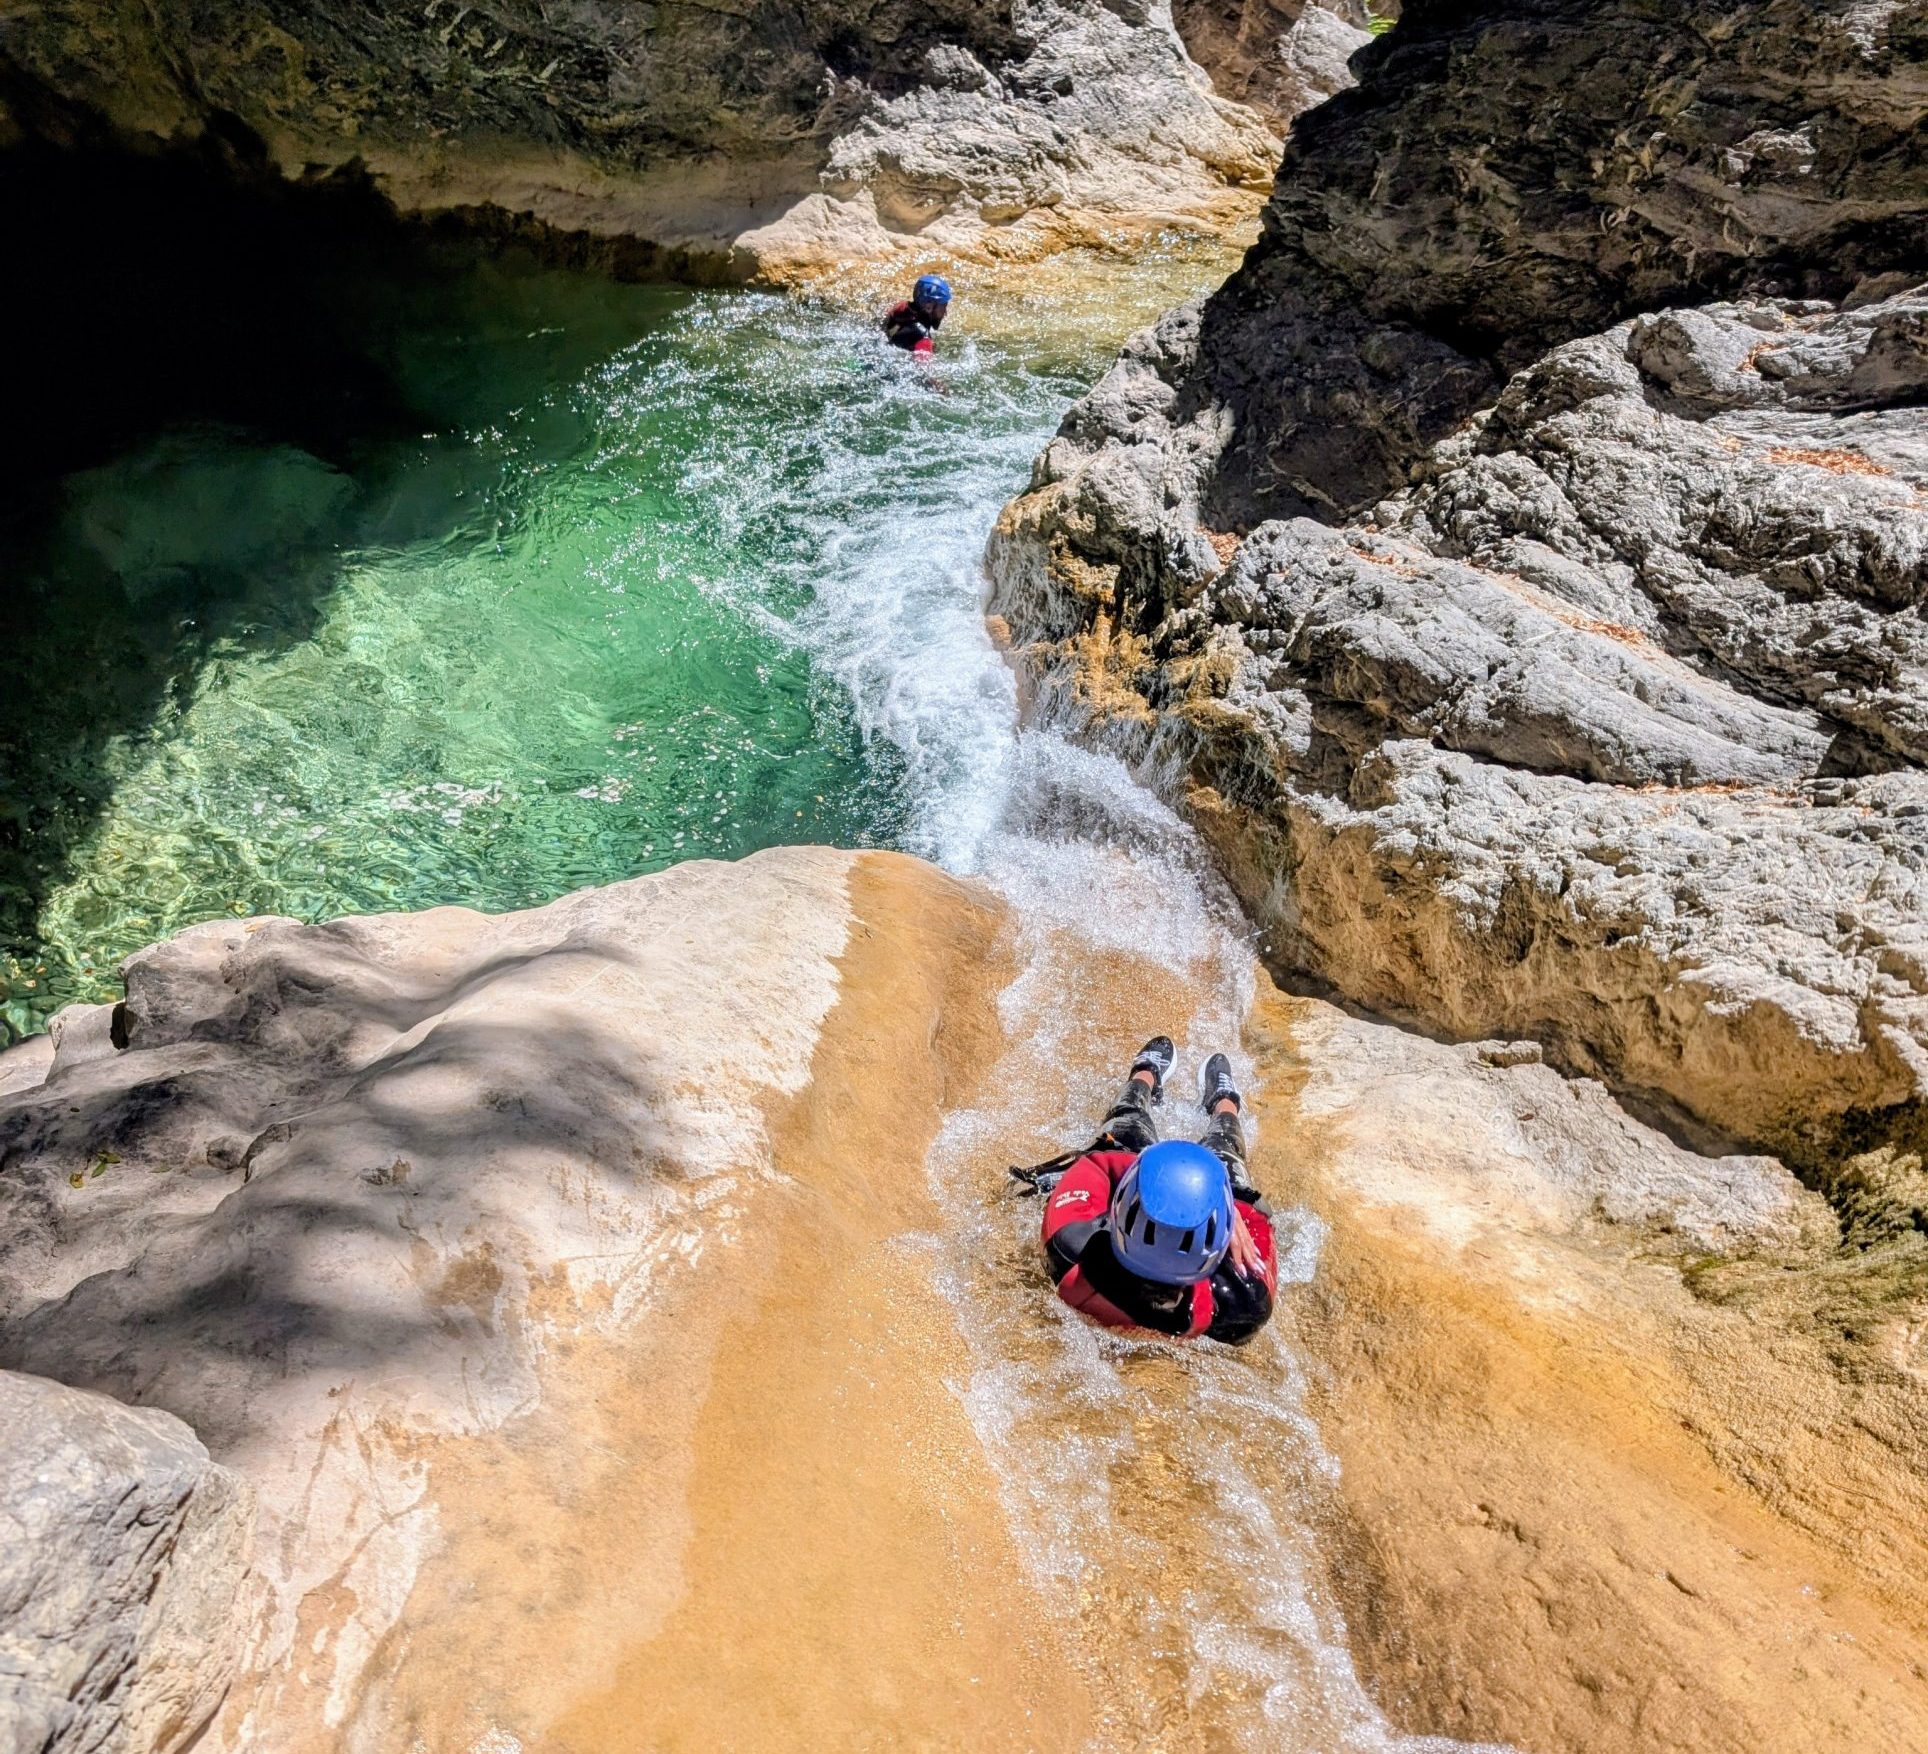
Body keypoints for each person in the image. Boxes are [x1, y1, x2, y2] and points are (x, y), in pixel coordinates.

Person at [1032, 1038, 1278, 1345]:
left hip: (1109, 1239)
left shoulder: (1071, 1248)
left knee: (1126, 1123)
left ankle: (1145, 1073)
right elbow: (1260, 1217)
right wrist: (1228, 1208)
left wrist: (1148, 1168)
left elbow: (1097, 1164)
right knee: (1226, 1150)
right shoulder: (1243, 1302)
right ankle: (1226, 1103)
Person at [883, 274, 952, 355]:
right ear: (928, 307)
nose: (945, 313)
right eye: (943, 307)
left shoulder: (901, 308)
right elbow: (923, 363)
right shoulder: (923, 338)